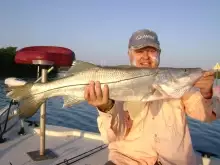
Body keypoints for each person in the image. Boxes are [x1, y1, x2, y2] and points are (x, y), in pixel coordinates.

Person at [84, 29, 218, 165]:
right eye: (139, 51)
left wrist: (206, 93)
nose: (146, 57)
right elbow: (111, 136)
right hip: (127, 160)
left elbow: (207, 116)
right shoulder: (117, 87)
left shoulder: (179, 86)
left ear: (159, 54)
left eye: (151, 51)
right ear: (129, 54)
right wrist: (105, 107)